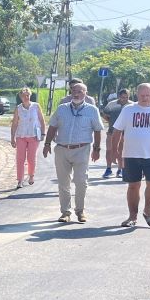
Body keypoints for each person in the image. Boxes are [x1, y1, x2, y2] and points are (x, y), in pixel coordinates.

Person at [112, 83, 150, 228]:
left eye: (148, 95)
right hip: (131, 154)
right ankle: (132, 216)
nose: (145, 98)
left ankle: (148, 211)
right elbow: (117, 131)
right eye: (142, 95)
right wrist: (115, 151)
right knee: (133, 186)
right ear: (137, 94)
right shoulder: (128, 110)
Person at [43, 80, 103, 223]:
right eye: (74, 91)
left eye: (79, 91)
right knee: (63, 182)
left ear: (85, 93)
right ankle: (65, 212)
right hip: (62, 149)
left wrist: (97, 149)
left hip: (82, 149)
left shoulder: (92, 110)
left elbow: (97, 130)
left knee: (81, 181)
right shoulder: (62, 108)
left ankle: (80, 211)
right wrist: (47, 144)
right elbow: (52, 126)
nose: (76, 94)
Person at [10, 87, 46, 189]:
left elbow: (42, 120)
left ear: (30, 96)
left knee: (31, 157)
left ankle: (31, 176)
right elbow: (14, 124)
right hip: (21, 135)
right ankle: (20, 180)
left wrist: (43, 133)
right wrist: (12, 138)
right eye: (24, 96)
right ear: (20, 97)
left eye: (28, 95)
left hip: (33, 135)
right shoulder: (18, 108)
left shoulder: (36, 106)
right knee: (20, 158)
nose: (26, 97)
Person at [101, 88, 132, 178]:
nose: (124, 99)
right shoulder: (112, 104)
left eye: (126, 97)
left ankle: (120, 169)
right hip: (112, 130)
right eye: (122, 97)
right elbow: (104, 114)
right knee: (109, 150)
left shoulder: (132, 105)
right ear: (119, 96)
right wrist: (111, 122)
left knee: (121, 151)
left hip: (126, 132)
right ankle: (108, 169)